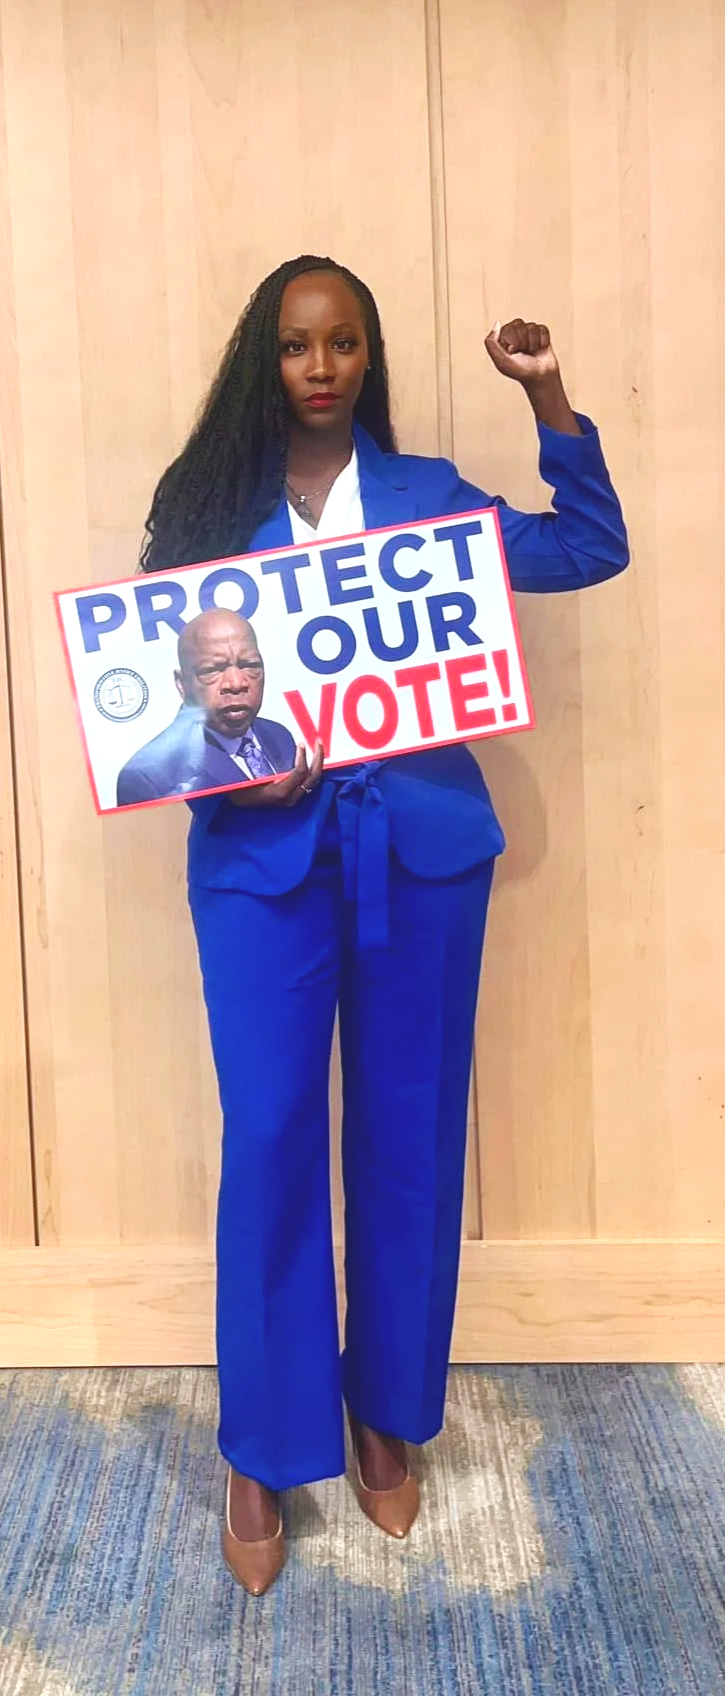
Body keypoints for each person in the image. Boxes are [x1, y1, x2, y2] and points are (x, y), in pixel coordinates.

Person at [140, 254, 629, 1595]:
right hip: (263, 862)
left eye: (343, 341)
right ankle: (263, 1439)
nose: (320, 365)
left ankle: (385, 1409)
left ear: (367, 357)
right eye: (298, 343)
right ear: (267, 354)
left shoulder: (426, 500)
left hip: (419, 853)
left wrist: (549, 396)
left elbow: (587, 547)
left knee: (410, 1139)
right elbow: (151, 703)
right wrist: (240, 750)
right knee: (276, 1136)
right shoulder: (204, 508)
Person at [116, 607, 296, 805]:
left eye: (250, 665)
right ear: (182, 684)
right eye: (212, 670)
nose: (236, 683)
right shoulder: (148, 776)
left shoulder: (279, 736)